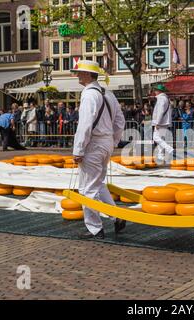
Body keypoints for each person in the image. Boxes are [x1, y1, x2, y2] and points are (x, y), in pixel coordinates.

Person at [71, 60, 126, 239]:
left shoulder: (88, 95)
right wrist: (114, 140)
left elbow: (85, 124)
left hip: (93, 145)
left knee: (87, 188)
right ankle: (117, 216)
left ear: (88, 74)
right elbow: (120, 121)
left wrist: (78, 150)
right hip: (106, 143)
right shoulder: (108, 94)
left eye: (79, 73)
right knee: (98, 183)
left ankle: (94, 228)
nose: (77, 75)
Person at [151, 84, 174, 162]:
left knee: (155, 137)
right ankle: (161, 156)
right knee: (161, 138)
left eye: (156, 90)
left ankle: (169, 149)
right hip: (165, 121)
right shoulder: (165, 98)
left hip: (161, 122)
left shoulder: (161, 98)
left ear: (159, 91)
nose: (155, 91)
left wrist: (157, 122)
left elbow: (160, 111)